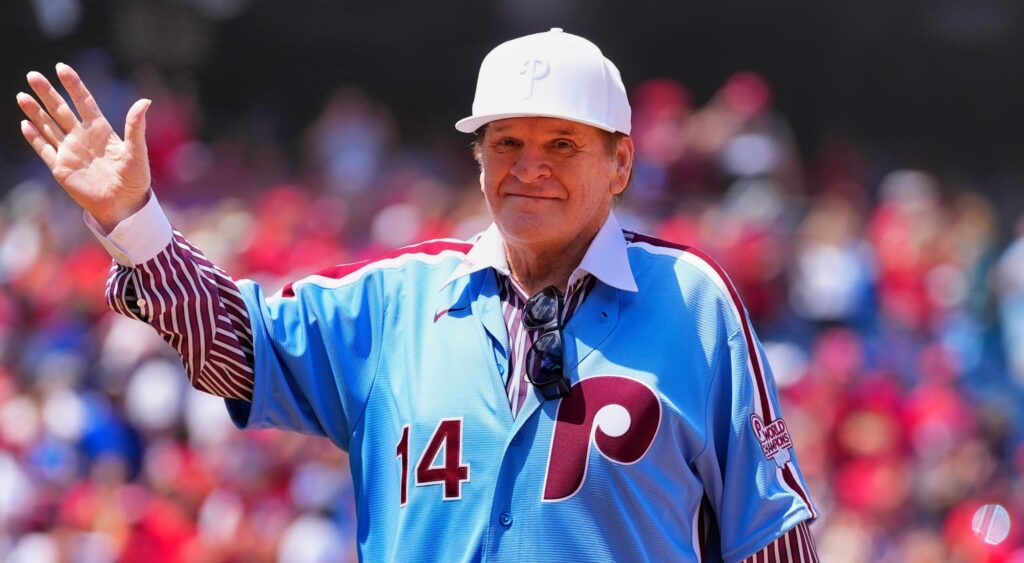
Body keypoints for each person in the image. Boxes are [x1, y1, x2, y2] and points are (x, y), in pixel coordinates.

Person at [17, 28, 818, 562]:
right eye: (506, 141)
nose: (528, 166)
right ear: (477, 160)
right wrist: (135, 221)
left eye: (562, 144)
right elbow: (240, 346)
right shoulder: (396, 299)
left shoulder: (694, 301)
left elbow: (770, 534)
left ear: (621, 164)